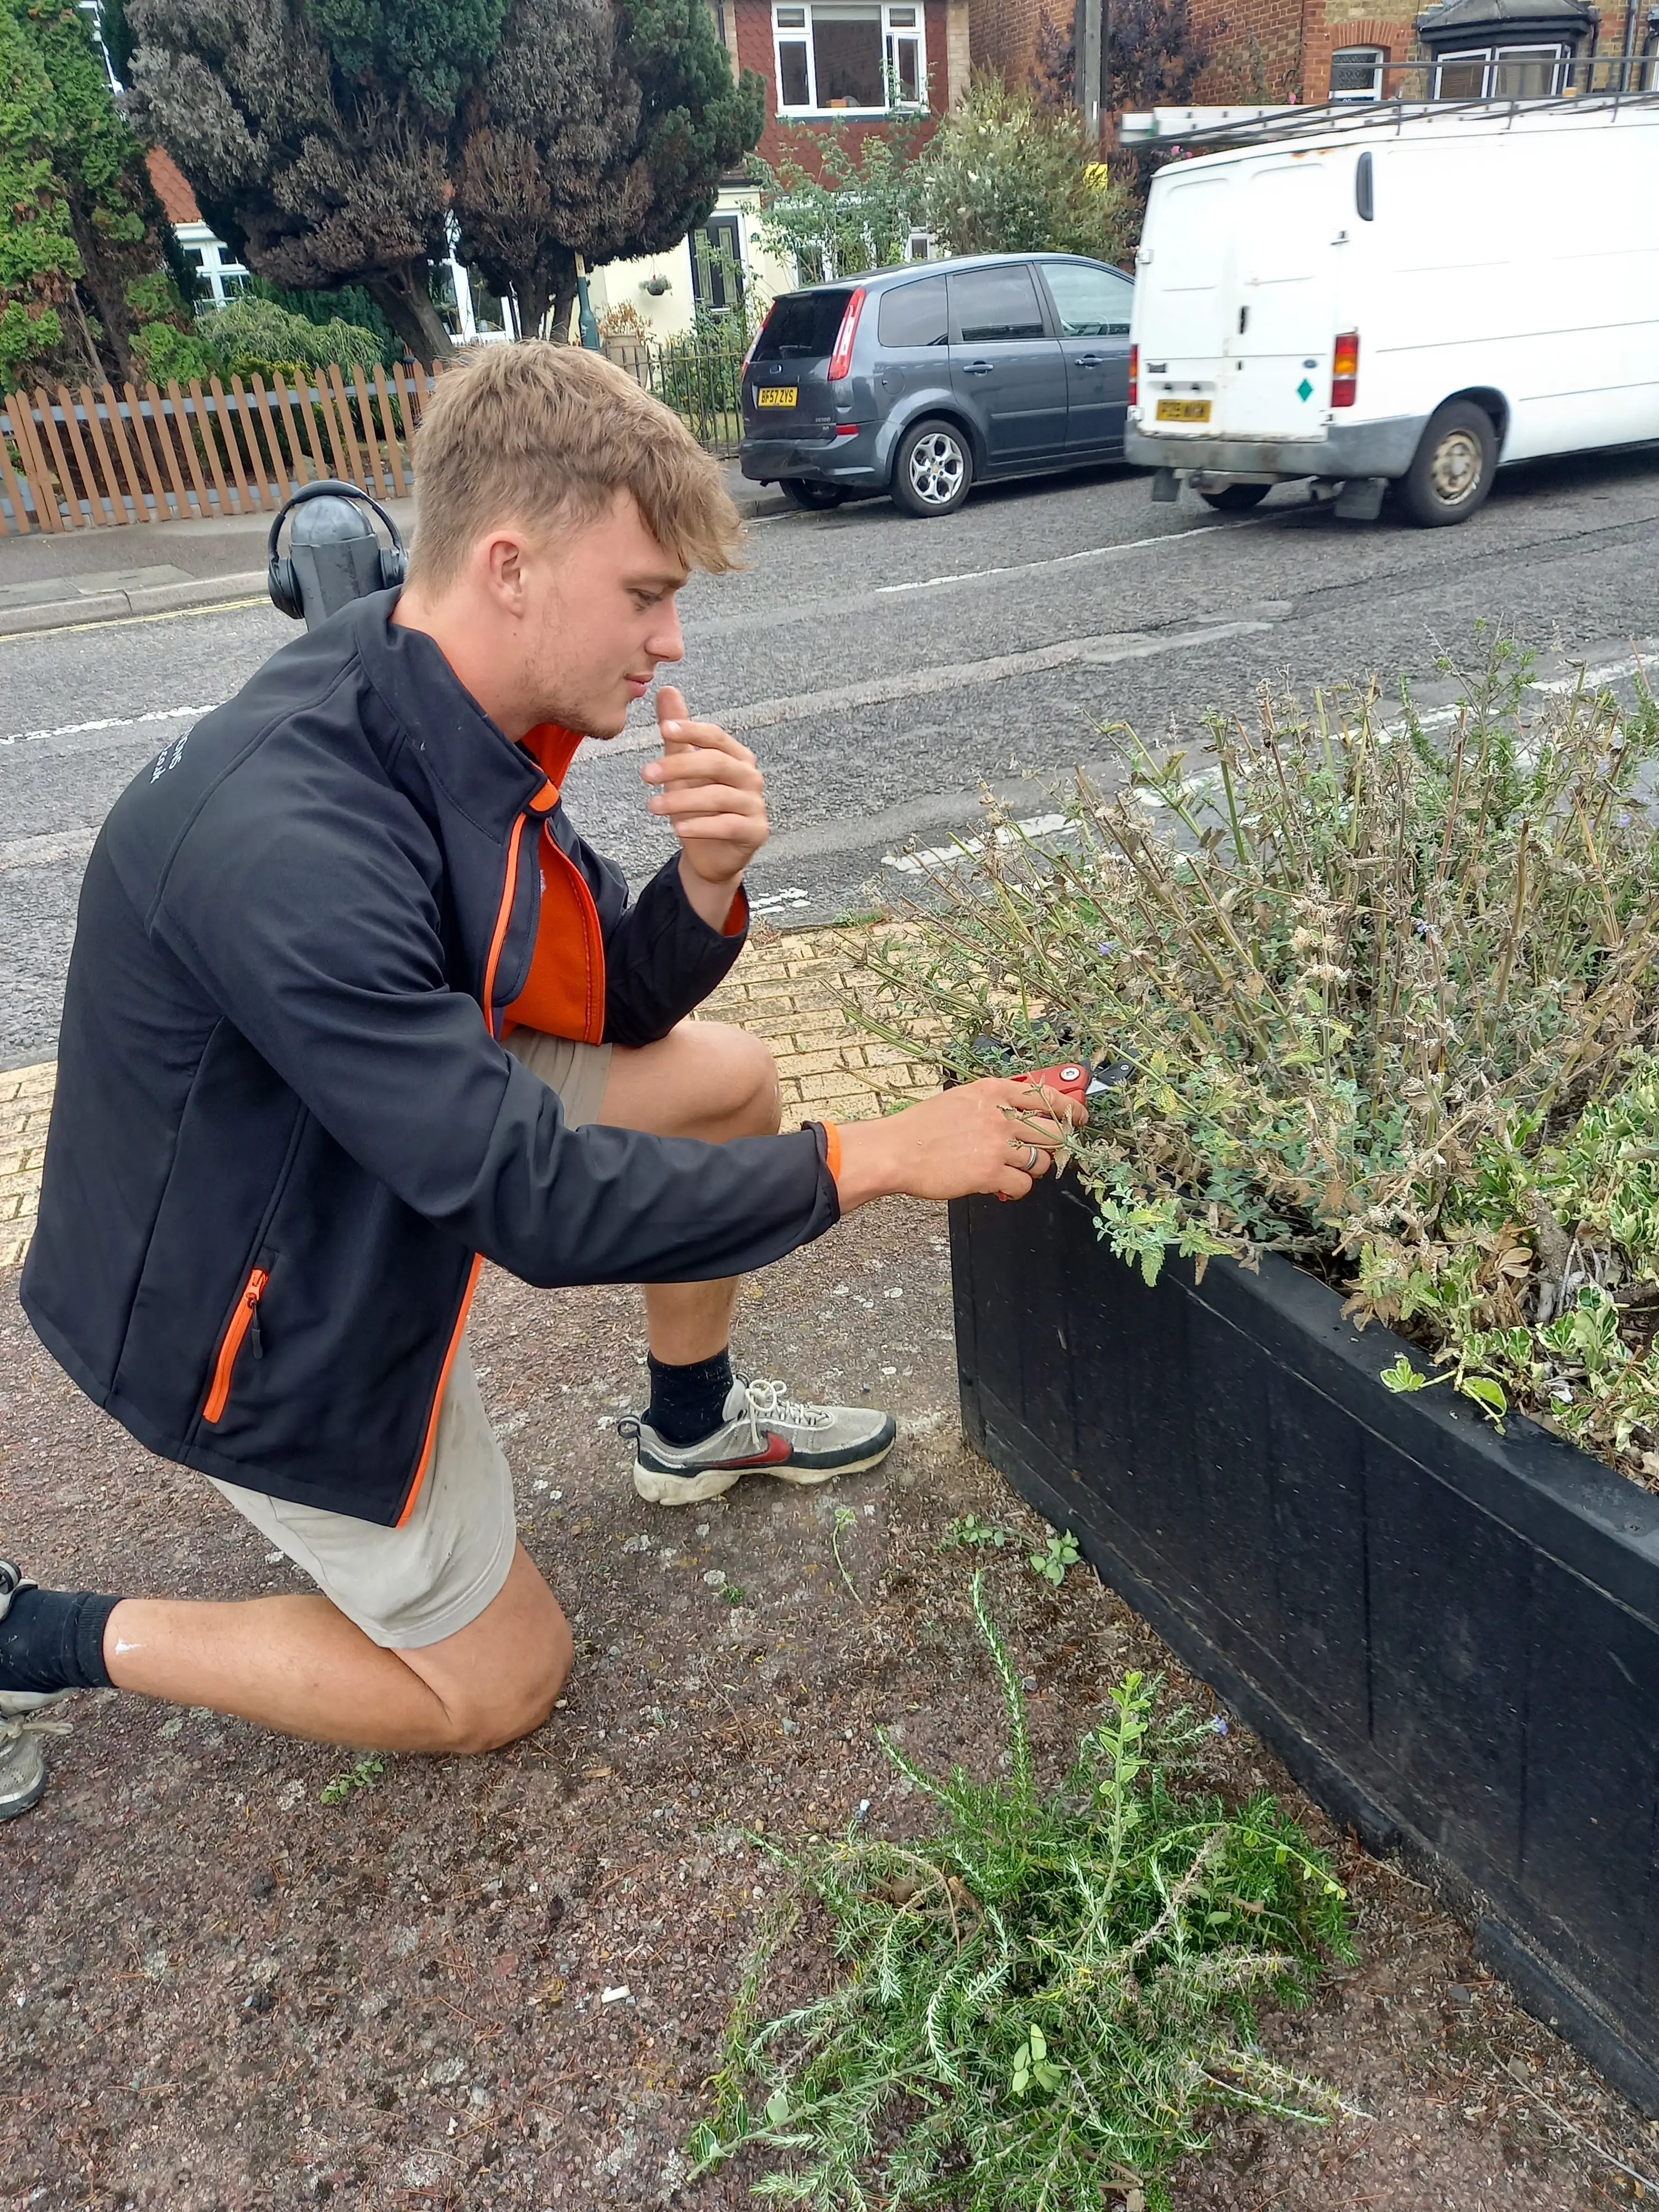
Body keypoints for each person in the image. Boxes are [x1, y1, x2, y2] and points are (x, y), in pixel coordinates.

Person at [0, 343, 1079, 1820]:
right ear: (511, 566)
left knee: (729, 1078)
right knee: (501, 1685)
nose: (673, 640)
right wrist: (881, 1154)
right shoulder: (296, 842)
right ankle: (36, 1637)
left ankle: (687, 1428)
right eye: (646, 594)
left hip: (366, 1147)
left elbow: (608, 1003)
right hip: (245, 1309)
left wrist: (707, 882)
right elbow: (538, 1207)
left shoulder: (443, 704)